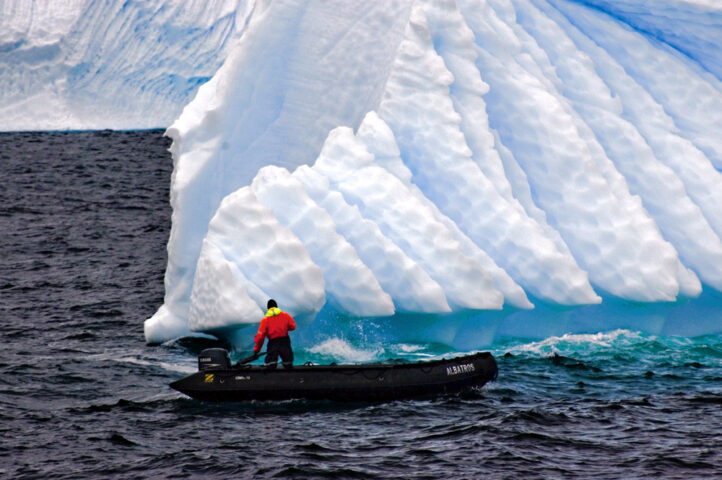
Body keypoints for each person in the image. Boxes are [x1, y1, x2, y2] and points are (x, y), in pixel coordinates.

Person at [254, 299, 296, 369]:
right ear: (277, 307)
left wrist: (256, 350)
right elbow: (293, 327)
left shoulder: (265, 320)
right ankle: (290, 376)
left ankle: (271, 377)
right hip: (285, 341)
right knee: (288, 363)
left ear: (268, 308)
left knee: (271, 365)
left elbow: (260, 337)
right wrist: (283, 328)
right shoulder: (286, 316)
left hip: (273, 343)